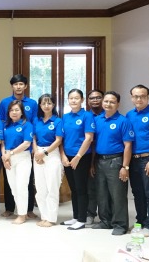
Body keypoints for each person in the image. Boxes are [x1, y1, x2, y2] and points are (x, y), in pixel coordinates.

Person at [125, 85, 149, 237]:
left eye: (142, 96)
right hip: (133, 160)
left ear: (148, 97)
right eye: (135, 96)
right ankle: (139, 221)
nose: (139, 99)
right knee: (137, 193)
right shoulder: (129, 115)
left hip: (148, 159)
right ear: (131, 98)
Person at [92, 91, 133, 236]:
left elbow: (128, 146)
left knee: (117, 195)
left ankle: (120, 224)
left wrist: (125, 167)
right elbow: (93, 142)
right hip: (99, 160)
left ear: (118, 104)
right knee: (102, 194)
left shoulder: (123, 121)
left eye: (112, 102)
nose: (108, 104)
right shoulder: (97, 120)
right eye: (106, 101)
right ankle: (105, 221)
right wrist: (92, 164)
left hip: (116, 161)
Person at [0, 74, 37, 219]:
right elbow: (1, 122)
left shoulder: (32, 103)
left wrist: (34, 148)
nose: (18, 87)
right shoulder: (4, 102)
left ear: (25, 86)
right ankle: (10, 208)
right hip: (8, 151)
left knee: (25, 183)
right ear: (12, 86)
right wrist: (5, 155)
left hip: (25, 150)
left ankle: (27, 210)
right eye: (15, 84)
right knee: (11, 184)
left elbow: (33, 125)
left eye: (21, 84)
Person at [60, 89, 95, 230]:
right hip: (67, 157)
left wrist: (78, 157)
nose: (73, 101)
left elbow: (89, 138)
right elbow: (60, 139)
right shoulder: (65, 117)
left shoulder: (87, 116)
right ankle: (75, 217)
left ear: (82, 100)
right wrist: (63, 155)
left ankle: (82, 219)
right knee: (73, 188)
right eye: (71, 98)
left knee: (81, 188)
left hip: (81, 157)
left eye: (76, 98)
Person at [31, 94, 63, 227]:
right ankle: (44, 216)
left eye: (49, 103)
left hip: (51, 154)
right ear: (40, 105)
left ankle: (51, 218)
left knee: (52, 187)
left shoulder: (57, 121)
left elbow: (58, 140)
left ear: (54, 105)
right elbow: (33, 138)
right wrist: (37, 153)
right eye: (43, 103)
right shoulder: (36, 120)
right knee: (40, 188)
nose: (46, 106)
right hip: (38, 153)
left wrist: (44, 153)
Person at [2, 100, 33, 224]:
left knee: (21, 186)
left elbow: (27, 143)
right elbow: (2, 142)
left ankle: (22, 214)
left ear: (22, 112)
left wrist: (11, 153)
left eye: (17, 110)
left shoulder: (27, 124)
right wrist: (5, 157)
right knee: (13, 187)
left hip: (22, 157)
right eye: (11, 110)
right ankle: (20, 211)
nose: (14, 112)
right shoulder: (6, 125)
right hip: (8, 157)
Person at [86, 89, 104, 224]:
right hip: (90, 156)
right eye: (92, 98)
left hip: (107, 155)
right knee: (91, 187)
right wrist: (91, 163)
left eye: (98, 97)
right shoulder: (86, 117)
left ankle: (106, 216)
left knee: (105, 188)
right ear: (88, 101)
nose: (95, 100)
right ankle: (90, 213)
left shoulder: (109, 115)